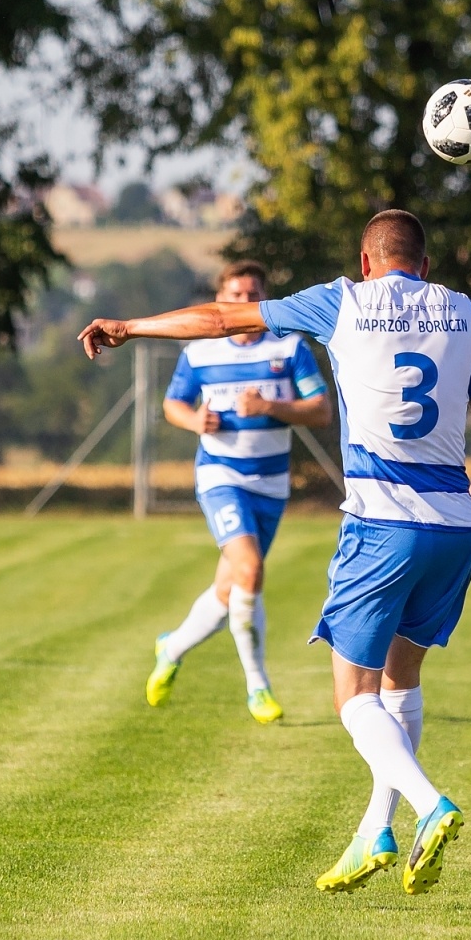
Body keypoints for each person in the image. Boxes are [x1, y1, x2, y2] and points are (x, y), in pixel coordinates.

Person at [80, 210, 471, 897]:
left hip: (384, 523)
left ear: (365, 263)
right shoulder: (464, 311)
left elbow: (221, 319)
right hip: (455, 530)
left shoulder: (343, 301)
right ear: (426, 266)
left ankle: (431, 804)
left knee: (353, 695)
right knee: (400, 682)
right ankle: (375, 831)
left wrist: (130, 327)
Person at [145, 261, 333, 724]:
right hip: (220, 476)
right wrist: (195, 420)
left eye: (253, 295)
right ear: (220, 300)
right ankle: (258, 686)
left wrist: (270, 406)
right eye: (234, 295)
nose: (244, 302)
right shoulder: (200, 352)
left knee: (230, 588)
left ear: (265, 299)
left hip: (271, 483)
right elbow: (173, 404)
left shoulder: (289, 347)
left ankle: (172, 648)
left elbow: (321, 411)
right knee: (250, 571)